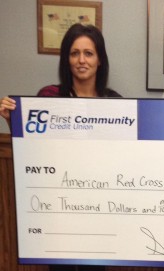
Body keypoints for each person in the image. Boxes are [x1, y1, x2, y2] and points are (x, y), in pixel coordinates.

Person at [0, 23, 121, 271]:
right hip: (58, 208)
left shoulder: (115, 102)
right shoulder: (48, 98)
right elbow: (33, 151)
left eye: (89, 53)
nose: (81, 60)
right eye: (74, 53)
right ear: (66, 59)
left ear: (100, 60)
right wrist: (12, 120)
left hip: (99, 209)